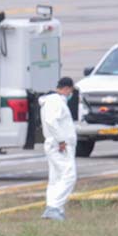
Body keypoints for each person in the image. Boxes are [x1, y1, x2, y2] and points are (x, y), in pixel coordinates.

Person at [40, 77, 77, 221]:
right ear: (67, 88)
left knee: (56, 178)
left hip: (56, 143)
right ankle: (54, 207)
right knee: (69, 176)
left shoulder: (53, 101)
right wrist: (61, 140)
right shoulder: (55, 101)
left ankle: (54, 208)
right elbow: (51, 121)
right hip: (59, 145)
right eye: (70, 91)